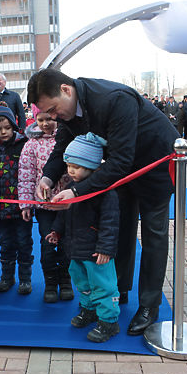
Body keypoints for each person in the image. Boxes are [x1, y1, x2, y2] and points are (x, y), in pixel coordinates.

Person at [27, 68, 178, 336]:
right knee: (119, 228)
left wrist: (77, 191)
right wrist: (48, 178)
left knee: (155, 234)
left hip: (154, 164)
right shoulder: (68, 111)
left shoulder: (114, 99)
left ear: (66, 90)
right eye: (47, 114)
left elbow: (120, 159)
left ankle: (149, 305)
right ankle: (117, 290)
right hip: (121, 171)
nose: (52, 118)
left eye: (52, 110)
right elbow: (62, 146)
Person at [46, 133, 120, 343]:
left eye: (76, 167)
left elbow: (111, 222)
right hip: (75, 248)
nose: (70, 171)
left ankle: (109, 321)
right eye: (69, 165)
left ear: (93, 167)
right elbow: (64, 212)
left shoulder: (106, 193)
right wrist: (57, 231)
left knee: (103, 286)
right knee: (83, 283)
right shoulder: (71, 188)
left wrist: (106, 248)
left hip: (96, 252)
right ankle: (89, 310)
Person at [18, 103, 72, 302]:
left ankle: (65, 280)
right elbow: (26, 175)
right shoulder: (31, 144)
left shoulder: (68, 139)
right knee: (47, 243)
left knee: (66, 243)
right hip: (45, 206)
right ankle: (50, 282)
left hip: (66, 204)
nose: (45, 123)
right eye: (40, 120)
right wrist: (26, 203)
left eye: (49, 118)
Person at [0, 105, 36, 295]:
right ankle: (7, 276)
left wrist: (29, 202)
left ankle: (25, 279)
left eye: (7, 127)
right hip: (1, 209)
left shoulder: (24, 145)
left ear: (13, 125)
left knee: (24, 242)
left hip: (22, 207)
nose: (3, 132)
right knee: (5, 244)